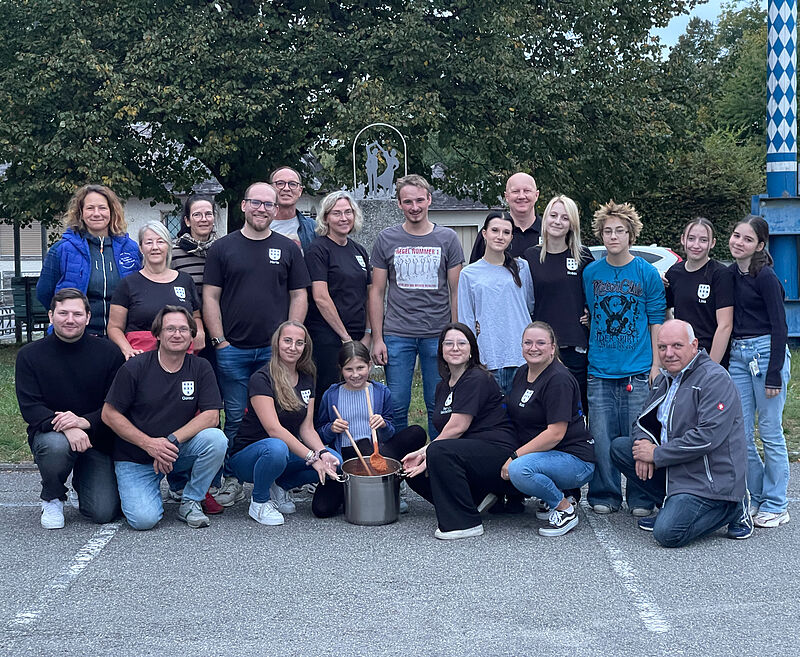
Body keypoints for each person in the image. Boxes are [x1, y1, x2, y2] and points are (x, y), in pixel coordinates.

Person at [203, 182, 311, 507]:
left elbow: (299, 295)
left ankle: (275, 478)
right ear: (244, 206)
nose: (262, 209)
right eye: (256, 203)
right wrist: (219, 340)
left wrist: (290, 339)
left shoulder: (288, 249)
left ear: (276, 210)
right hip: (232, 349)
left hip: (274, 353)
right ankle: (235, 478)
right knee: (236, 417)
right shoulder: (222, 248)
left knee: (285, 415)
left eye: (269, 204)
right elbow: (210, 296)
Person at [609, 320, 752, 547]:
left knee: (667, 533)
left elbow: (707, 437)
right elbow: (641, 420)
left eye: (677, 346)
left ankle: (733, 507)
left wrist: (656, 454)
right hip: (677, 468)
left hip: (708, 478)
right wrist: (644, 442)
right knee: (622, 448)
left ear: (694, 345)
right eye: (663, 347)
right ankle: (672, 505)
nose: (669, 353)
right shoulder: (666, 379)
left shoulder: (714, 378)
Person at [102, 306, 227, 530]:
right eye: (170, 329)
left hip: (176, 449)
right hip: (136, 456)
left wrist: (169, 442)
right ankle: (138, 491)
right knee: (144, 520)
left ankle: (190, 500)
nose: (177, 334)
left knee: (216, 440)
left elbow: (211, 416)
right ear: (157, 334)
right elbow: (109, 414)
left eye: (183, 329)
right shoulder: (135, 367)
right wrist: (149, 444)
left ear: (192, 335)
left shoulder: (200, 367)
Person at [15, 289, 125, 529]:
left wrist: (84, 422)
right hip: (52, 435)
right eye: (63, 313)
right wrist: (68, 428)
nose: (70, 319)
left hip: (96, 437)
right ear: (51, 315)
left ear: (87, 317)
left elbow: (116, 402)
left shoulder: (109, 353)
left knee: (104, 512)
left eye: (77, 313)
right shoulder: (29, 356)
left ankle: (81, 484)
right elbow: (31, 407)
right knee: (56, 445)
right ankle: (52, 496)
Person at [583, 201, 666, 516]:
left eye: (620, 231)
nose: (613, 236)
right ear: (601, 235)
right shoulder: (591, 273)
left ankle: (642, 497)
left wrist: (656, 365)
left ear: (631, 235)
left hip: (638, 369)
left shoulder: (647, 273)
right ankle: (605, 493)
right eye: (608, 231)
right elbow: (591, 312)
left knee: (638, 437)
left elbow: (656, 318)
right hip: (600, 369)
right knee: (601, 438)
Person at [402, 323, 521, 540]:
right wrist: (421, 456)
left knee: (438, 452)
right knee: (415, 473)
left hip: (497, 452)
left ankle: (465, 523)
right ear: (441, 350)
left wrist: (425, 452)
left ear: (471, 350)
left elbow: (458, 427)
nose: (455, 348)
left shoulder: (477, 378)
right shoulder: (443, 386)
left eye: (461, 343)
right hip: (467, 454)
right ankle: (475, 499)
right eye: (448, 344)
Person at [369, 174, 464, 437]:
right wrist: (377, 338)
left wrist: (455, 334)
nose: (414, 207)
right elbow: (376, 292)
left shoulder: (448, 239)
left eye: (420, 200)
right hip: (398, 334)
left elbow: (456, 290)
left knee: (439, 404)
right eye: (408, 201)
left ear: (429, 200)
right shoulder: (386, 239)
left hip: (438, 333)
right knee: (396, 405)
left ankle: (435, 462)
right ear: (399, 204)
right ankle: (399, 465)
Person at [227, 321, 341, 525]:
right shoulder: (261, 378)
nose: (292, 347)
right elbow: (274, 429)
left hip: (282, 452)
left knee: (335, 460)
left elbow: (306, 428)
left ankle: (280, 486)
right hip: (248, 457)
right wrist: (311, 457)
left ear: (305, 347)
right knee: (277, 447)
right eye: (287, 341)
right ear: (277, 343)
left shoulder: (307, 378)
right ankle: (259, 502)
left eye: (299, 343)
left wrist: (322, 453)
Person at [728, 215, 791, 528]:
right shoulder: (730, 274)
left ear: (760, 246)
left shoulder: (765, 276)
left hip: (766, 356)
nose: (739, 242)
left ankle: (777, 504)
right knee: (741, 434)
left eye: (748, 239)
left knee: (770, 432)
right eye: (737, 236)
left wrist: (774, 373)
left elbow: (781, 326)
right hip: (738, 357)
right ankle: (756, 495)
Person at [503, 322, 595, 537]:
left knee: (518, 469)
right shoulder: (521, 373)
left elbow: (555, 434)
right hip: (549, 455)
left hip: (575, 459)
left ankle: (564, 508)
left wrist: (514, 456)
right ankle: (556, 494)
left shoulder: (558, 379)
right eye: (528, 343)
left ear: (553, 348)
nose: (533, 348)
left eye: (541, 343)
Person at [315, 341, 428, 515]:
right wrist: (331, 429)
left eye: (360, 368)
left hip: (378, 451)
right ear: (340, 369)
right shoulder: (331, 394)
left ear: (369, 365)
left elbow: (390, 431)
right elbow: (320, 434)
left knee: (415, 433)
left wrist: (382, 424)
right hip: (345, 458)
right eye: (349, 369)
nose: (355, 375)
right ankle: (369, 490)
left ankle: (387, 486)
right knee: (322, 509)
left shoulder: (381, 391)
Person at [37, 184, 141, 337]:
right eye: (90, 208)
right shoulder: (61, 250)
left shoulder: (131, 249)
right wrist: (68, 320)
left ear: (112, 212)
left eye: (102, 208)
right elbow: (44, 293)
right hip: (78, 338)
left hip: (122, 338)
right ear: (81, 213)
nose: (97, 213)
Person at [523, 195, 594, 413]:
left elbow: (594, 297)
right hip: (541, 348)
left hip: (575, 347)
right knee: (543, 411)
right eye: (553, 215)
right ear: (545, 219)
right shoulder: (530, 256)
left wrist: (591, 314)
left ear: (572, 224)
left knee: (576, 411)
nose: (557, 221)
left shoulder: (583, 257)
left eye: (564, 217)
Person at [304, 191, 372, 403]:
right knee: (329, 390)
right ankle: (323, 435)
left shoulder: (359, 250)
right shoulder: (318, 249)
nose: (343, 218)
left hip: (357, 334)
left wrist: (368, 333)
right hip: (328, 337)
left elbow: (369, 294)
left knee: (355, 390)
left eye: (348, 212)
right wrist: (345, 338)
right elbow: (320, 297)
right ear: (325, 218)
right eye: (336, 213)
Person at [458, 211, 535, 394]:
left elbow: (529, 306)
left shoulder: (522, 267)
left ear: (511, 237)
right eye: (495, 230)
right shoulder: (469, 274)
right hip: (489, 358)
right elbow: (466, 320)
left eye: (506, 232)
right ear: (484, 233)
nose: (500, 236)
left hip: (521, 357)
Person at [107, 221, 203, 359]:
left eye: (160, 242)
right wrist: (127, 349)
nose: (155, 247)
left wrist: (199, 332)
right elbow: (114, 327)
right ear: (141, 248)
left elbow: (196, 316)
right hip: (141, 357)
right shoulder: (128, 284)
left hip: (181, 356)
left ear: (168, 246)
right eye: (149, 242)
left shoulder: (185, 280)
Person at [665, 217, 733, 365]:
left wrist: (711, 366)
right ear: (683, 239)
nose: (696, 245)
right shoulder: (674, 273)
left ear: (712, 243)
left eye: (703, 240)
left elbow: (725, 325)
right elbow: (664, 309)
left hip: (710, 358)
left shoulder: (720, 274)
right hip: (682, 359)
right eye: (691, 238)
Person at [468, 172, 542, 262]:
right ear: (506, 196)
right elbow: (476, 270)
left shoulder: (548, 232)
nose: (521, 196)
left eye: (527, 191)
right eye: (515, 191)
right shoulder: (491, 233)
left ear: (536, 195)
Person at [269, 166, 316, 251]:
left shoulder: (313, 229)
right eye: (280, 183)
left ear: (300, 191)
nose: (286, 188)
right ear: (271, 189)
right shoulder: (258, 226)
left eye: (292, 184)